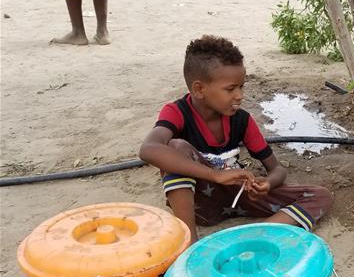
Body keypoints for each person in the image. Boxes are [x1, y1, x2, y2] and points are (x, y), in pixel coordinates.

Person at [139, 36, 333, 242]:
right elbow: (149, 149)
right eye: (230, 89)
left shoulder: (242, 120)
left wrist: (267, 183)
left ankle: (252, 236)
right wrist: (214, 175)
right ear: (199, 89)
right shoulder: (176, 112)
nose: (239, 95)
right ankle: (189, 244)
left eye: (241, 86)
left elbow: (277, 169)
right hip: (200, 203)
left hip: (239, 196)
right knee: (176, 147)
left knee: (320, 195)